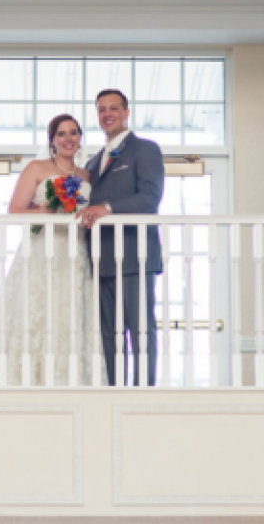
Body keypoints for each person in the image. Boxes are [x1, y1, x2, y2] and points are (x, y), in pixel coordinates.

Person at [0, 114, 98, 386]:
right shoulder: (37, 168)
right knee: (34, 309)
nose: (68, 139)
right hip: (42, 250)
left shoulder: (87, 175)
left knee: (70, 313)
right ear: (52, 140)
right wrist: (47, 209)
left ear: (80, 138)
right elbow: (14, 210)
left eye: (73, 133)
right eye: (61, 134)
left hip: (76, 250)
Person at [78, 89, 164, 386]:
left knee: (140, 330)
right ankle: (114, 393)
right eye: (102, 110)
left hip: (134, 255)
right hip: (100, 259)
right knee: (108, 335)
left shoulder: (145, 149)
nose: (107, 114)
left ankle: (142, 394)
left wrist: (108, 208)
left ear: (126, 112)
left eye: (113, 108)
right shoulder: (93, 162)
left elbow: (150, 199)